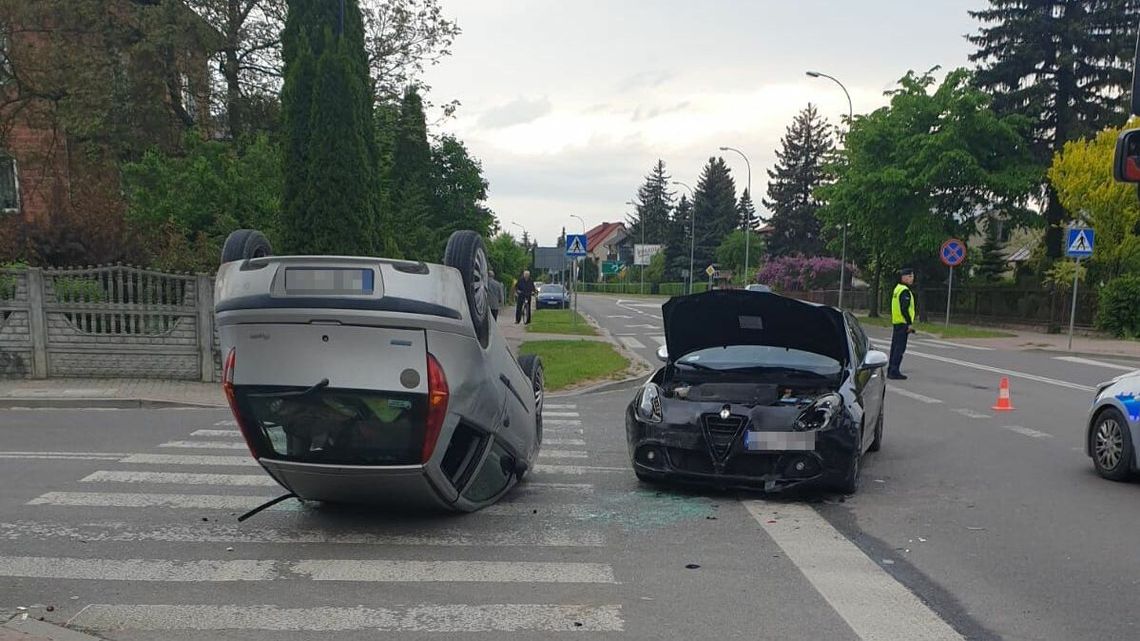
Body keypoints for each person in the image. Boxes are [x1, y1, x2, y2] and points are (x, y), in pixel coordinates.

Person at [888, 267, 918, 380]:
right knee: (899, 349)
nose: (912, 279)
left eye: (912, 276)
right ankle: (894, 371)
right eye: (910, 276)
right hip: (903, 323)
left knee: (894, 347)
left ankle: (891, 369)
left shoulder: (897, 289)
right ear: (904, 277)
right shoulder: (904, 291)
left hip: (897, 322)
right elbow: (904, 308)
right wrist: (909, 323)